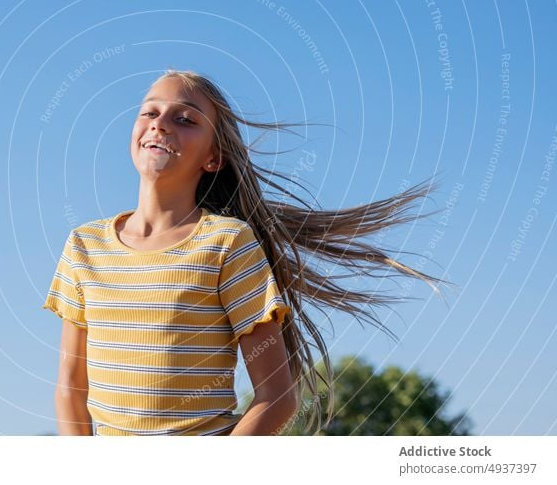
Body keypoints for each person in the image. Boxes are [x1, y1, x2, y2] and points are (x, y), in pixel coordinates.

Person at [42, 69, 448, 436]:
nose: (160, 124)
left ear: (213, 158)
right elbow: (71, 388)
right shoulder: (84, 245)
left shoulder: (227, 244)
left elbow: (278, 396)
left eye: (184, 119)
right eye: (149, 112)